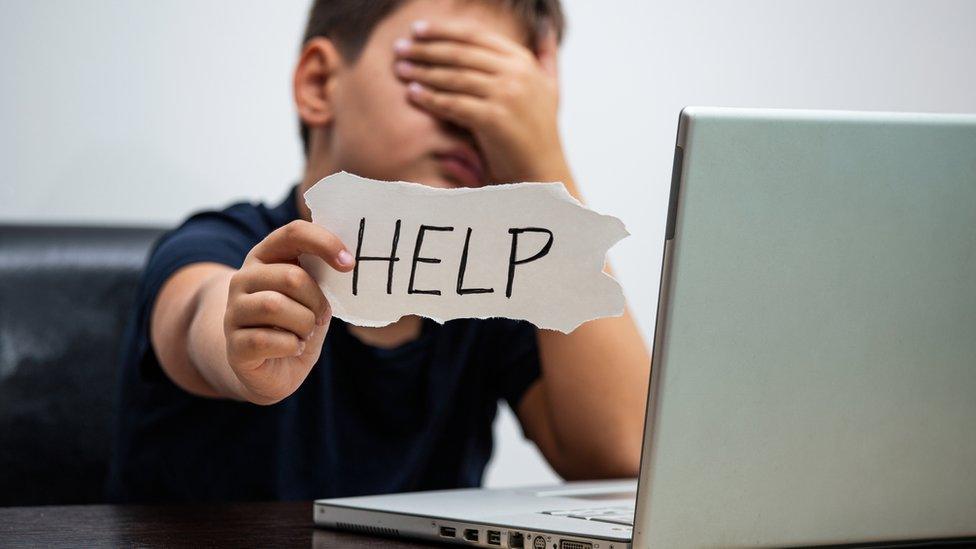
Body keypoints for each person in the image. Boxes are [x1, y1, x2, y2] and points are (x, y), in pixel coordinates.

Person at [107, 0, 650, 502]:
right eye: (454, 74)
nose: (484, 123)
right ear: (320, 82)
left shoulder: (487, 296)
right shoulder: (219, 244)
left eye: (515, 101)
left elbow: (623, 458)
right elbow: (204, 313)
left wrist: (544, 167)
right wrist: (243, 338)